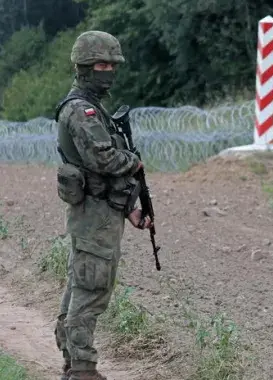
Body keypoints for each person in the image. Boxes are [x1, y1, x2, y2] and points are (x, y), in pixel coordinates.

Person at [53, 30, 153, 380]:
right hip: (94, 214)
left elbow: (103, 170)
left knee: (83, 283)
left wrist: (130, 208)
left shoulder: (92, 108)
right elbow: (104, 160)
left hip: (100, 211)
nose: (108, 70)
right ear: (83, 66)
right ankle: (82, 368)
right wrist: (134, 162)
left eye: (112, 64)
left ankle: (74, 362)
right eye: (100, 63)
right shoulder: (82, 110)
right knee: (91, 288)